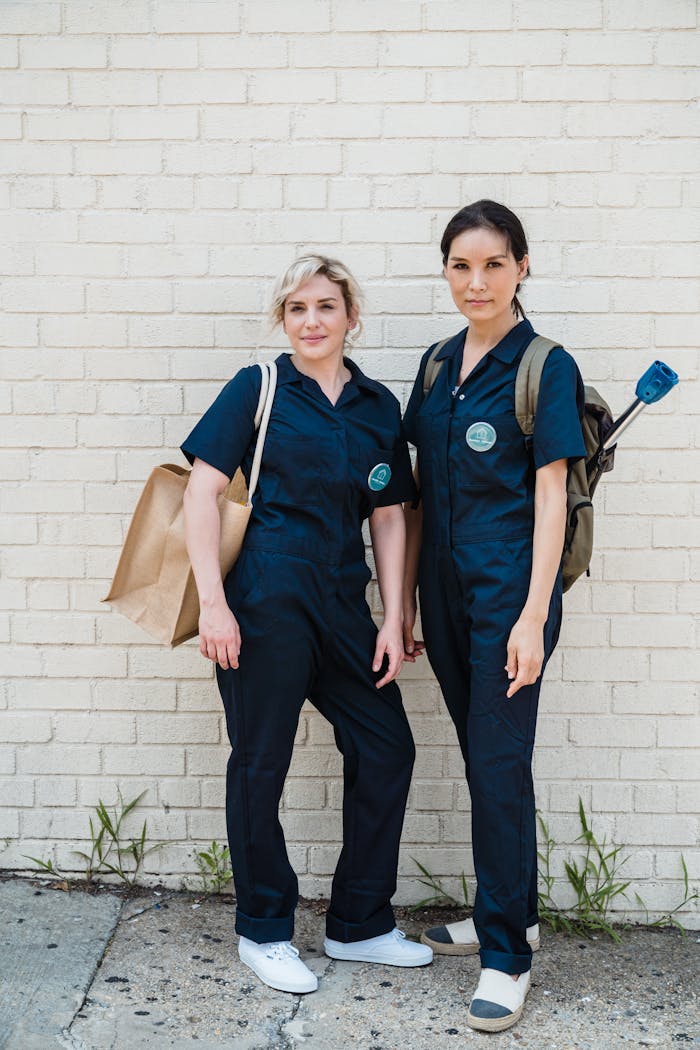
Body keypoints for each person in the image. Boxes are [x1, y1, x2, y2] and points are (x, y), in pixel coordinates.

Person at [181, 255, 432, 995]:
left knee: (387, 746)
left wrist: (394, 614)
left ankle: (359, 921)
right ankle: (263, 929)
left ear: (351, 315)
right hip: (263, 600)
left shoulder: (377, 407)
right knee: (262, 763)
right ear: (282, 320)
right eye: (297, 308)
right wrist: (213, 603)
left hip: (342, 602)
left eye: (326, 306)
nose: (312, 321)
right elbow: (202, 495)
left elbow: (390, 516)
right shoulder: (258, 389)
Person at [402, 201, 586, 1032]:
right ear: (446, 271)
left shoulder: (545, 366)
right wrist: (404, 599)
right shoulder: (438, 365)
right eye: (460, 266)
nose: (476, 282)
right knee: (486, 760)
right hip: (442, 597)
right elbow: (412, 492)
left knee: (500, 767)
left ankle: (507, 956)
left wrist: (532, 613)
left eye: (493, 265)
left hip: (509, 599)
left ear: (521, 268)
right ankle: (506, 907)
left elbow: (553, 493)